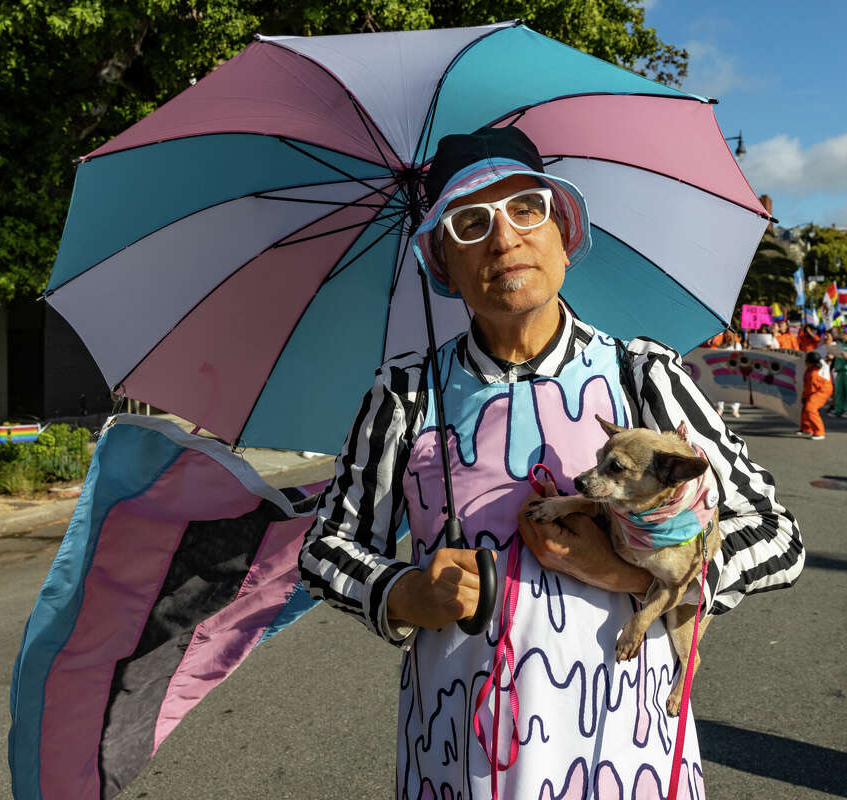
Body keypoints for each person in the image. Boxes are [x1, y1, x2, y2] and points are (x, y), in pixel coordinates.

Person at [297, 127, 803, 798]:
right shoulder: (404, 392)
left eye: (526, 210)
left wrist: (627, 571)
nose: (504, 239)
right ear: (441, 261)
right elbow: (328, 547)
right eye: (469, 222)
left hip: (629, 754)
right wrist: (403, 591)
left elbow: (773, 533)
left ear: (563, 232)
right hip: (457, 758)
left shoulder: (641, 374)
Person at [798, 351, 832, 440]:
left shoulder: (818, 370)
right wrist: (804, 396)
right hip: (814, 389)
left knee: (810, 408)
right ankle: (806, 429)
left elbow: (811, 387)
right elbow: (808, 385)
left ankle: (819, 432)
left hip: (823, 390)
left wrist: (805, 396)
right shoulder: (811, 368)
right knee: (805, 408)